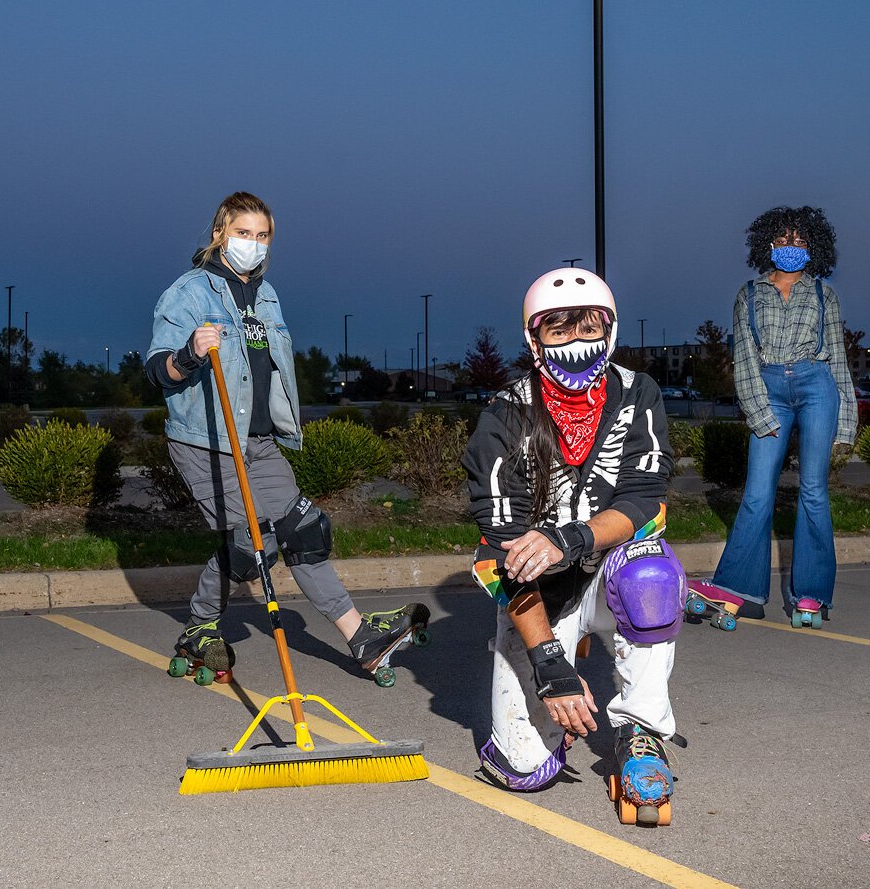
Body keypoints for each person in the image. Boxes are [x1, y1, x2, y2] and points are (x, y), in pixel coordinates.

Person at [145, 191, 426, 686]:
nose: (252, 243)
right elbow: (158, 371)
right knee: (251, 546)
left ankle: (361, 636)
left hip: (258, 440)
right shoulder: (189, 293)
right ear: (219, 234)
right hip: (206, 441)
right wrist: (189, 352)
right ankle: (200, 626)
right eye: (242, 233)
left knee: (304, 529)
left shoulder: (267, 296)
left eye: (261, 235)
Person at [466, 267, 681, 823]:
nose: (576, 344)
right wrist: (548, 664)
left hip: (612, 571)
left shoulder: (639, 393)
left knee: (651, 577)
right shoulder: (504, 416)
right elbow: (499, 557)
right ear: (534, 338)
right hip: (541, 591)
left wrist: (572, 537)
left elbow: (645, 502)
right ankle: (545, 697)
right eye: (558, 331)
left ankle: (642, 732)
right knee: (526, 772)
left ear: (609, 330)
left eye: (588, 328)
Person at [687, 206, 857, 630]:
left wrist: (846, 420)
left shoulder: (823, 295)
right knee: (758, 493)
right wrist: (760, 413)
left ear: (812, 247)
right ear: (769, 244)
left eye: (800, 241)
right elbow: (744, 361)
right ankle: (740, 589)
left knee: (814, 491)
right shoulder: (749, 294)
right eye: (783, 240)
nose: (791, 247)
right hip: (770, 389)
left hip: (817, 385)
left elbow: (837, 360)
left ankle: (812, 595)